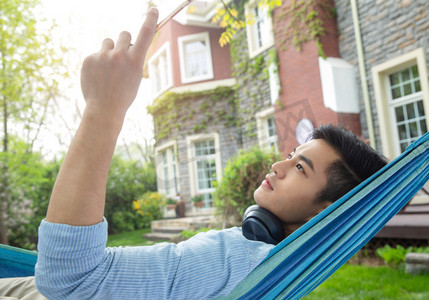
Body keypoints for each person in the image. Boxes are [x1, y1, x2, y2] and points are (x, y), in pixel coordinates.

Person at [26, 7, 388, 300]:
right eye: (291, 154)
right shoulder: (277, 265)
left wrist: (102, 107)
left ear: (324, 214)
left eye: (300, 168)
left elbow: (69, 279)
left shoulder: (232, 257)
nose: (278, 166)